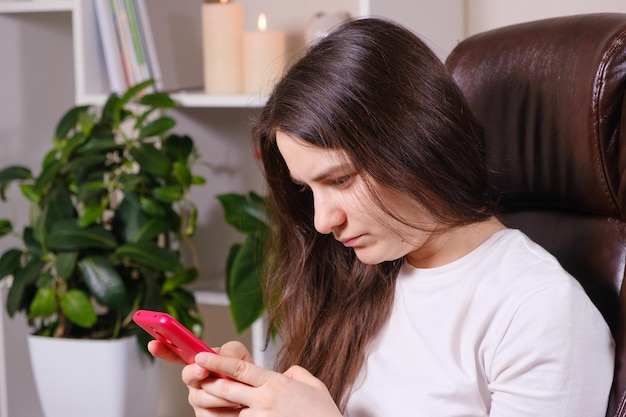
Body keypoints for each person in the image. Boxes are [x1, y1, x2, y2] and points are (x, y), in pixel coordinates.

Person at [149, 17, 615, 416]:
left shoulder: (537, 312)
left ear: (417, 141)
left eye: (340, 180)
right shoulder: (359, 275)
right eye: (306, 189)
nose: (322, 221)